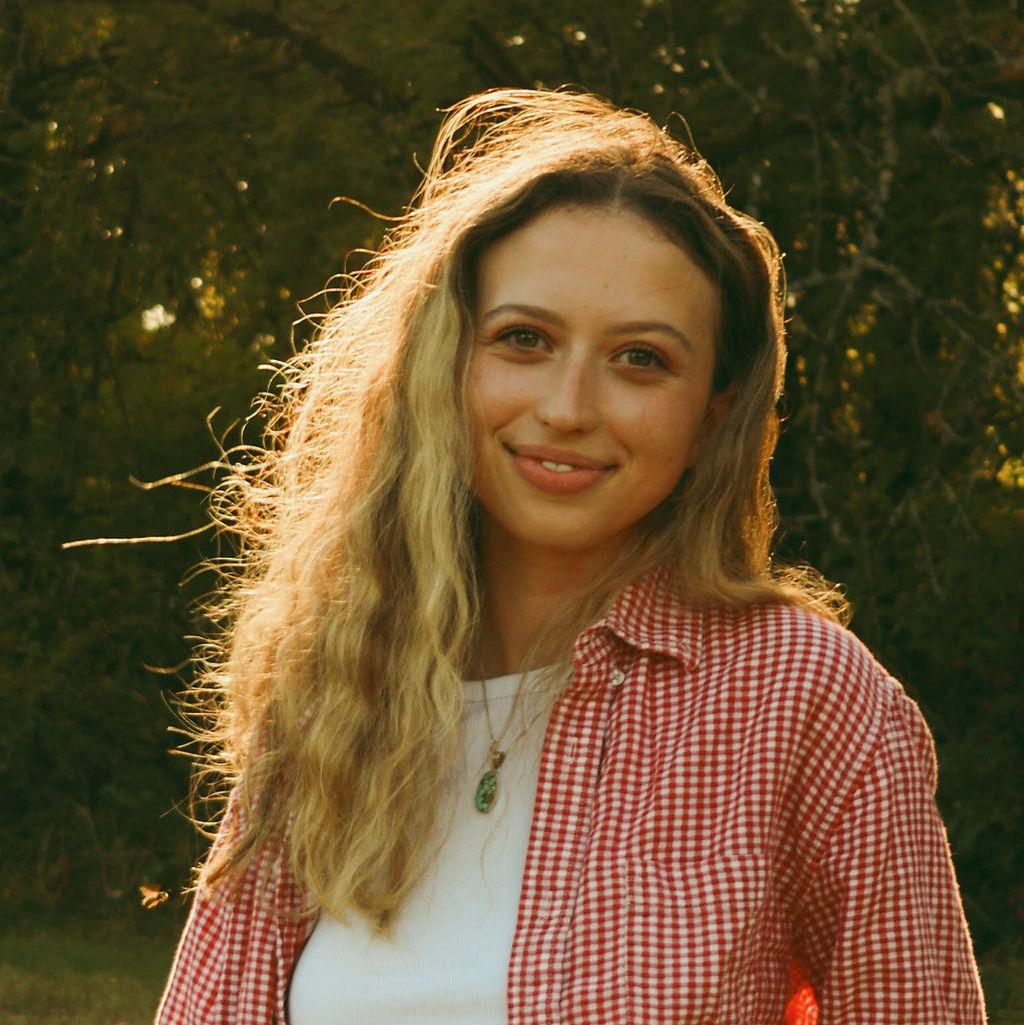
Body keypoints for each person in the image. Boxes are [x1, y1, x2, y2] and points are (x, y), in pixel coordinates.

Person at [155, 88, 986, 1025]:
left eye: (641, 359)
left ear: (711, 416)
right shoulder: (337, 687)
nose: (567, 406)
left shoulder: (804, 698)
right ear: (444, 363)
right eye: (525, 340)